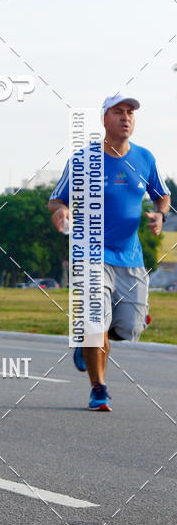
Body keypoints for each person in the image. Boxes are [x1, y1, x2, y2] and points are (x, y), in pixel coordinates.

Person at [49, 94, 170, 411]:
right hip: (90, 255)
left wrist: (160, 215)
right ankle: (98, 388)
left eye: (130, 112)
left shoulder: (144, 159)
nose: (126, 117)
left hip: (130, 257)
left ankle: (85, 343)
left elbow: (162, 196)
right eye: (119, 112)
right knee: (94, 325)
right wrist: (61, 212)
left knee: (129, 329)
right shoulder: (82, 159)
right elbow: (57, 199)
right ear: (104, 119)